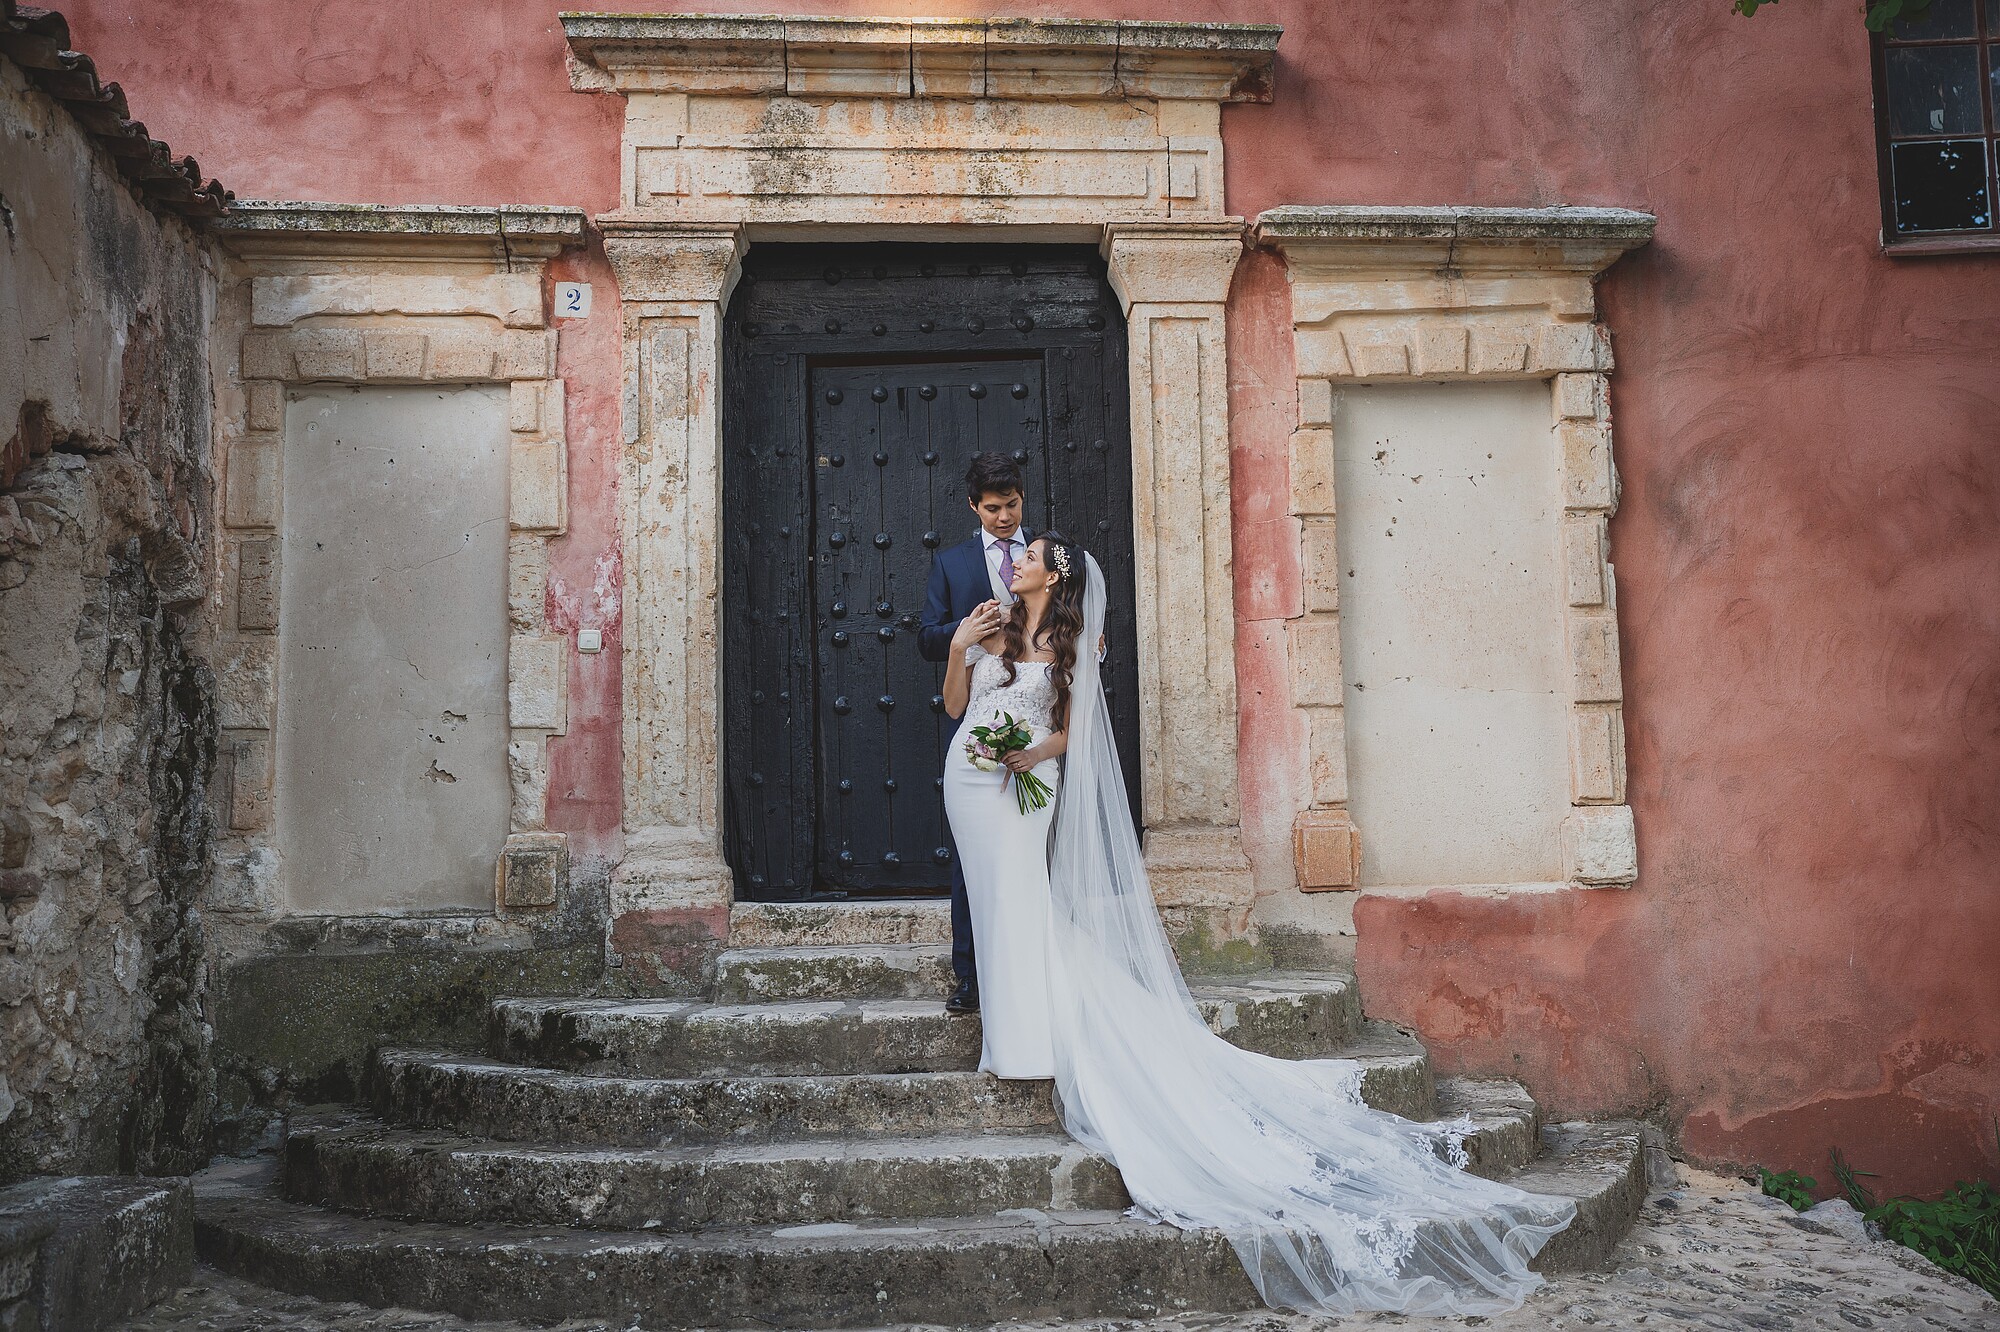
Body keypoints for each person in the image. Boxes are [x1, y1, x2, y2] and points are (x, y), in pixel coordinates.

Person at [941, 529, 1583, 1318]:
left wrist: (1034, 753)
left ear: (1057, 574)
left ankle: (1034, 1040)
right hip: (966, 777)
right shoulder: (991, 623)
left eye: (1033, 551)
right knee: (996, 904)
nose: (1020, 558)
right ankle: (1010, 1037)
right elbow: (956, 706)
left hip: (1018, 782)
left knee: (1026, 905)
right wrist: (958, 647)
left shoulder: (1070, 643)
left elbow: (1076, 732)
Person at [919, 452, 1031, 1017]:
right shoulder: (953, 563)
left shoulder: (1045, 556)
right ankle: (970, 975)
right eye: (993, 509)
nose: (1005, 517)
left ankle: (1031, 966)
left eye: (1012, 505)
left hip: (1037, 719)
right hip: (980, 720)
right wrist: (964, 634)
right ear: (973, 506)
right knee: (973, 859)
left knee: (1034, 855)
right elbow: (926, 635)